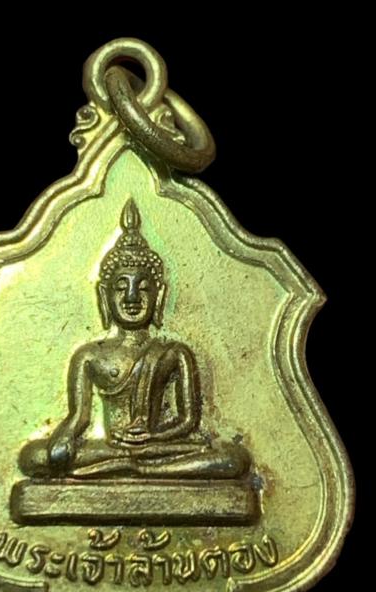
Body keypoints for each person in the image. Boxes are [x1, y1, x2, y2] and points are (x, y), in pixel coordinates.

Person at [19, 199, 250, 480]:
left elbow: (189, 420)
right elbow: (79, 417)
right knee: (33, 456)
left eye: (143, 288)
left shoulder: (174, 352)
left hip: (157, 447)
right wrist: (64, 438)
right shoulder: (89, 356)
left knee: (232, 459)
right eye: (121, 287)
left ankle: (139, 469)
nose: (131, 298)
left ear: (159, 296)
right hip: (109, 447)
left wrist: (153, 436)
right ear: (104, 296)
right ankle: (133, 465)